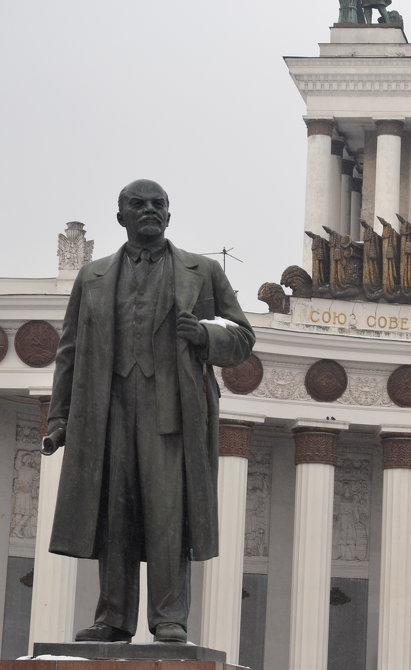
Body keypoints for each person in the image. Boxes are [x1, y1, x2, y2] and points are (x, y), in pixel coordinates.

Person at [42, 179, 255, 644]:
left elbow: (242, 337)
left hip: (172, 413)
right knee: (115, 511)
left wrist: (203, 334)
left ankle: (168, 617)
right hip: (108, 410)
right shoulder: (92, 277)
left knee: (167, 515)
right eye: (138, 205)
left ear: (169, 216)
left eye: (158, 205)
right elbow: (70, 351)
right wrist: (60, 419)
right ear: (120, 216)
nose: (149, 211)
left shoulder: (201, 270)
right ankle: (113, 618)